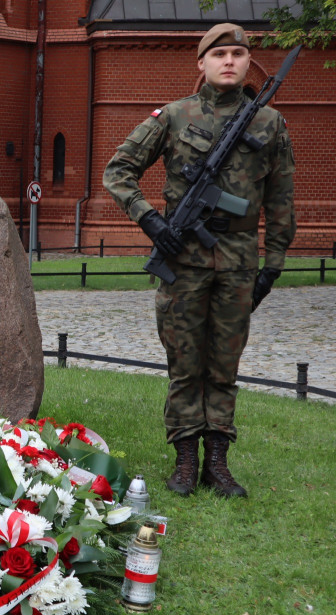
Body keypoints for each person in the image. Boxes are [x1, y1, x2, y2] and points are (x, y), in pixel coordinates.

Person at [103, 23, 295, 498]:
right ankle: (185, 462)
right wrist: (150, 220)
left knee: (224, 367)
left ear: (249, 63)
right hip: (183, 258)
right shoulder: (173, 115)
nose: (229, 61)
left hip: (238, 260)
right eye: (219, 54)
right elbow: (119, 170)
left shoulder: (269, 123)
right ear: (202, 64)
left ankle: (219, 465)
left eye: (237, 53)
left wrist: (273, 264)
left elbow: (282, 199)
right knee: (185, 364)